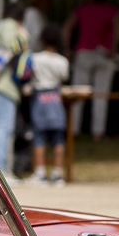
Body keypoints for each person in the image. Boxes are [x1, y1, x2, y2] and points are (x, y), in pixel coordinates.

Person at [63, 0, 119, 139]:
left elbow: (66, 29)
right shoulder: (112, 11)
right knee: (101, 95)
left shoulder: (81, 10)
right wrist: (114, 49)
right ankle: (98, 133)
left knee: (77, 94)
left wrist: (67, 49)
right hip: (105, 55)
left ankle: (73, 131)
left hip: (83, 53)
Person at [0, 0, 29, 176]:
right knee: (4, 127)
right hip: (2, 86)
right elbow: (14, 46)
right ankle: (0, 172)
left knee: (0, 126)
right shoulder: (10, 26)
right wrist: (24, 36)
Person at [27, 25, 72, 185]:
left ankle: (40, 172)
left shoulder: (35, 58)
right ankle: (57, 173)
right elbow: (64, 77)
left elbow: (28, 74)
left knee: (39, 136)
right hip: (55, 98)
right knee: (58, 137)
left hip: (40, 97)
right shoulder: (62, 61)